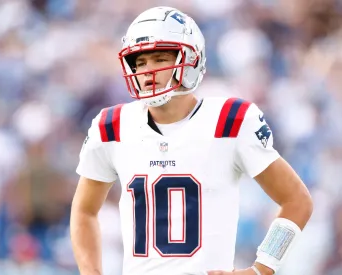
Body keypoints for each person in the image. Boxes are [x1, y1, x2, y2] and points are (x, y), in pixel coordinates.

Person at [70, 6, 313, 275]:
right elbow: (84, 211)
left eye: (160, 59)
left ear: (191, 59)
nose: (147, 71)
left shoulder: (230, 120)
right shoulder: (112, 126)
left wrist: (262, 268)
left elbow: (296, 200)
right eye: (140, 62)